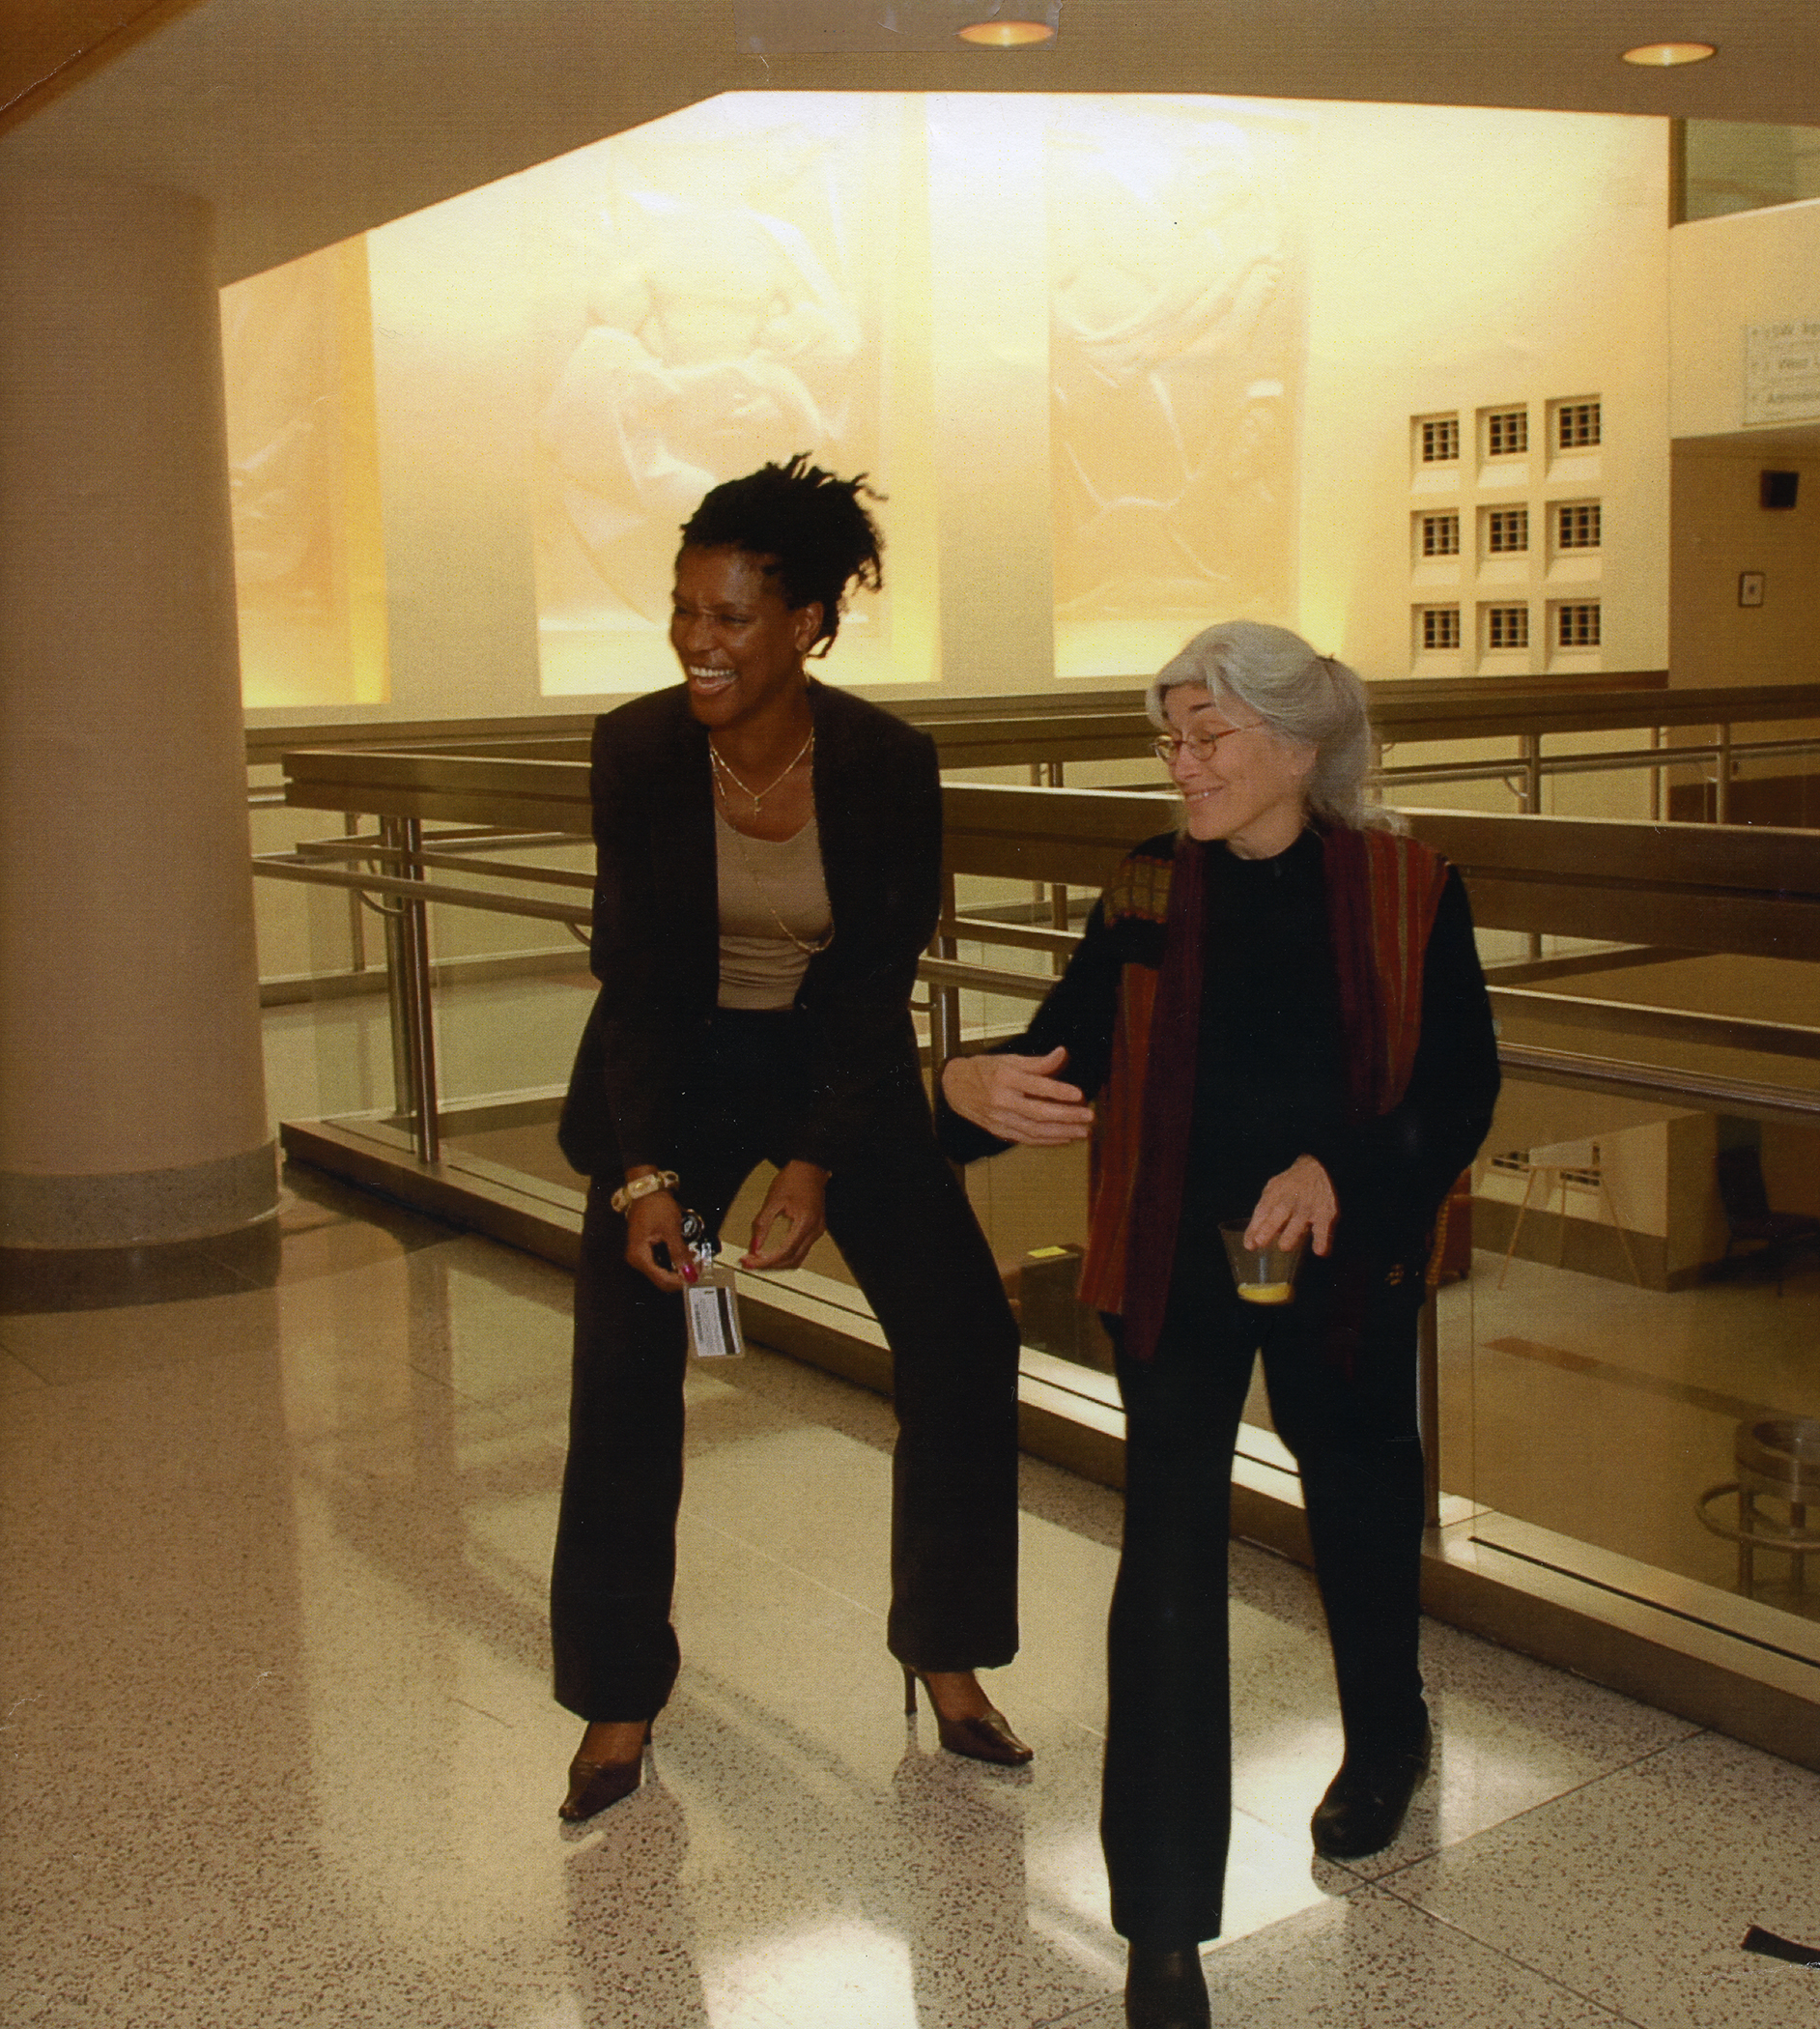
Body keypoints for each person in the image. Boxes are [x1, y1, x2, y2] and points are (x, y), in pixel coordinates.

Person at [939, 621, 1499, 2029]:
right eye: (1169, 738)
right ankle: (1165, 1925)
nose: (1178, 764)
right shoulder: (1147, 886)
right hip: (1174, 1256)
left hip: (1342, 1254)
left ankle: (1386, 1738)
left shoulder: (1407, 886)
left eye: (1209, 738)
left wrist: (1340, 1174)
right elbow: (1061, 1041)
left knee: (1360, 1497)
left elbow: (1461, 1085)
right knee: (1170, 1566)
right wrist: (963, 1088)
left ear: (1299, 747)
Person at [550, 455, 1030, 1824]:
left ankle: (948, 1658)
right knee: (626, 1366)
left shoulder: (886, 762)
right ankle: (616, 1697)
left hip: (841, 1065)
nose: (701, 642)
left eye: (735, 617)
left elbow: (874, 977)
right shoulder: (637, 748)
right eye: (686, 610)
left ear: (811, 621)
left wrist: (817, 1159)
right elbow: (637, 974)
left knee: (960, 1335)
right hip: (675, 1073)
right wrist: (646, 1175)